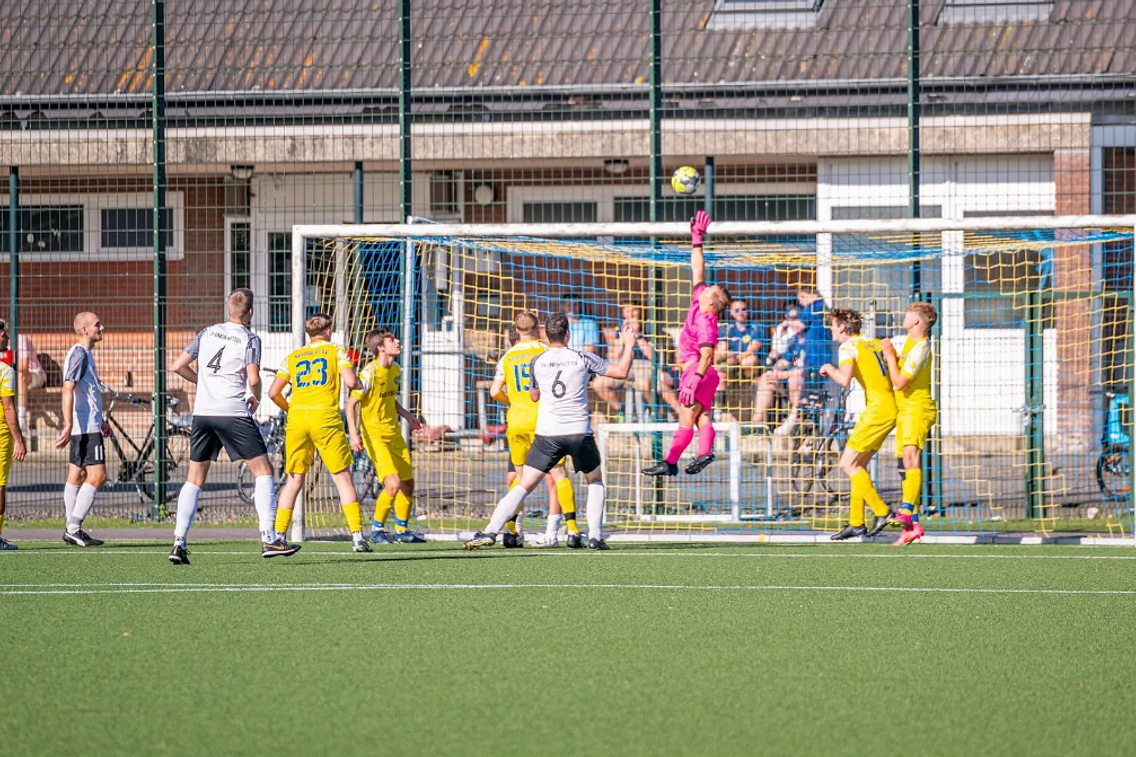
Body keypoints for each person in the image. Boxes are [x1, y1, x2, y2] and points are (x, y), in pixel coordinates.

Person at [463, 313, 635, 551]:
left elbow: (534, 395)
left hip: (547, 434)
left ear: (548, 333)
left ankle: (492, 530)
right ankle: (594, 536)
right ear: (567, 334)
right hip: (578, 432)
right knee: (594, 479)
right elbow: (622, 371)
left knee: (524, 484)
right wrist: (628, 344)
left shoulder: (538, 361)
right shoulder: (581, 357)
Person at [167, 288, 300, 565]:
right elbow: (253, 378)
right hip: (233, 411)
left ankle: (179, 543)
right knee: (264, 472)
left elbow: (178, 366)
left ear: (229, 310)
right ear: (250, 312)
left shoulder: (207, 332)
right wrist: (258, 395)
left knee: (194, 479)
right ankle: (270, 538)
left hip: (203, 413)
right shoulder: (250, 339)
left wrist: (204, 384)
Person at [268, 313, 369, 552]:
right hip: (325, 417)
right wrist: (358, 384)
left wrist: (290, 408)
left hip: (297, 419)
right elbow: (351, 381)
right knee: (342, 477)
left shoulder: (293, 356)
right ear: (327, 331)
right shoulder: (336, 350)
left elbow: (273, 393)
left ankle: (278, 537)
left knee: (293, 480)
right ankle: (357, 537)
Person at [642, 210, 731, 477]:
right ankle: (704, 452)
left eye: (712, 289)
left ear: (713, 303)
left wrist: (693, 380)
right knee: (701, 417)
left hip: (698, 371)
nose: (707, 286)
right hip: (699, 372)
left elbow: (707, 355)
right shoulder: (698, 300)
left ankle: (670, 462)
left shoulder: (706, 321)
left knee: (686, 416)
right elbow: (697, 269)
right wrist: (696, 239)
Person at [490, 310, 581, 549]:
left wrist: (510, 401)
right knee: (557, 475)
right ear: (539, 327)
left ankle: (510, 531)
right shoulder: (544, 351)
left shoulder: (507, 356)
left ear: (515, 330)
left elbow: (494, 391)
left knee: (520, 479)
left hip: (517, 421)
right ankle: (567, 530)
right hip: (544, 421)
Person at [819, 308, 897, 541]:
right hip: (888, 409)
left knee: (846, 464)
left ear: (842, 328)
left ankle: (883, 512)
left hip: (876, 413)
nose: (831, 329)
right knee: (857, 467)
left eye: (832, 325)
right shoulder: (872, 343)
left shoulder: (847, 347)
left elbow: (844, 379)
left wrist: (828, 368)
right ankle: (856, 522)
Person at [345, 327, 426, 544]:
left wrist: (409, 417)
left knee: (408, 483)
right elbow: (350, 404)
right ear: (381, 347)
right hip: (374, 435)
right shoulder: (369, 373)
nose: (398, 341)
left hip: (394, 433)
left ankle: (402, 530)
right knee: (393, 483)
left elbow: (390, 399)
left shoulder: (396, 369)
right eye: (392, 340)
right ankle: (377, 530)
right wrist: (354, 434)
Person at [881, 302, 938, 546]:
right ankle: (912, 526)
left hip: (917, 408)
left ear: (916, 321)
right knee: (903, 467)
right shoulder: (909, 343)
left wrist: (889, 356)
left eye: (908, 315)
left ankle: (906, 513)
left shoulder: (921, 348)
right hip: (905, 410)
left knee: (910, 460)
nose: (904, 317)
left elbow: (899, 382)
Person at [54, 312, 108, 547]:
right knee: (98, 476)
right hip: (84, 427)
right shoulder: (79, 353)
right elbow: (67, 389)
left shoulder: (84, 354)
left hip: (88, 424)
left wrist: (101, 418)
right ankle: (73, 527)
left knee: (77, 475)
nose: (102, 327)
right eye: (97, 325)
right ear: (85, 330)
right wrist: (68, 424)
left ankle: (71, 528)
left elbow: (88, 392)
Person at [594, 303, 656, 421]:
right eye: (627, 311)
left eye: (634, 310)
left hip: (643, 365)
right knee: (599, 383)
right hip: (623, 364)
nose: (631, 314)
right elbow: (614, 357)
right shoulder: (620, 328)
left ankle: (654, 413)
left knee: (643, 384)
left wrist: (637, 335)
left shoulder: (648, 326)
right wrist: (623, 340)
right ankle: (620, 411)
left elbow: (652, 357)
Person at [0, 321, 28, 550]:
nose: (6, 336)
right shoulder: (5, 371)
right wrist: (19, 439)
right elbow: (9, 408)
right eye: (2, 332)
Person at [0, 330, 45, 439]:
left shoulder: (20, 339)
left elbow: (24, 366)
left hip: (33, 374)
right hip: (10, 376)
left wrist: (8, 370)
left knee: (20, 376)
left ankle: (21, 421)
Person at [716, 299, 762, 368]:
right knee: (717, 357)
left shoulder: (755, 327)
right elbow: (722, 350)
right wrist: (727, 356)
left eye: (743, 309)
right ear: (731, 312)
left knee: (751, 359)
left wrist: (736, 359)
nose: (740, 313)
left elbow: (753, 349)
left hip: (744, 362)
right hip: (730, 360)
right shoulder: (727, 328)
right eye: (737, 310)